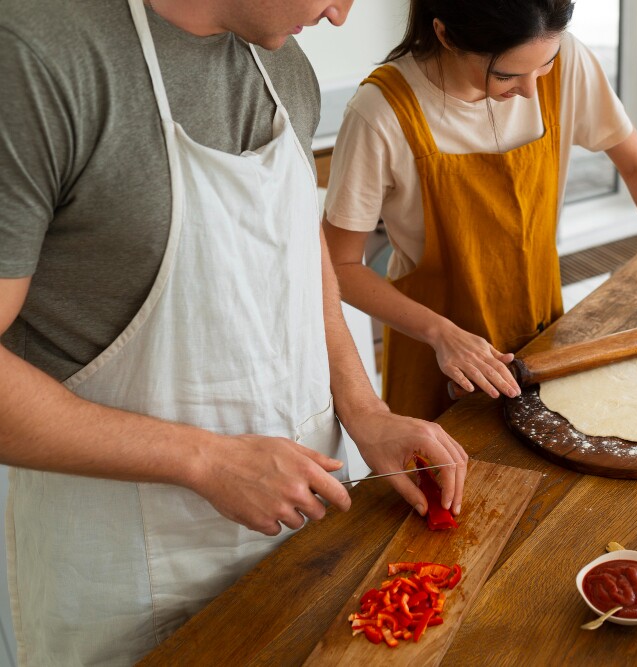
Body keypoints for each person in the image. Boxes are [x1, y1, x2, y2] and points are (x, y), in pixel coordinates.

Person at [0, 1, 467, 664]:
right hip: (132, 579)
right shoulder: (38, 59)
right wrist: (207, 459)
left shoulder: (285, 68)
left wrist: (365, 410)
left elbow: (302, 263)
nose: (340, 14)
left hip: (301, 542)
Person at [324, 0, 637, 421]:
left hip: (540, 329)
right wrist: (442, 335)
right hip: (434, 351)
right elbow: (340, 265)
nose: (532, 88)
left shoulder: (563, 59)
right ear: (446, 35)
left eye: (545, 65)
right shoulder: (380, 113)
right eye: (506, 74)